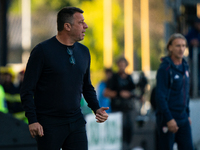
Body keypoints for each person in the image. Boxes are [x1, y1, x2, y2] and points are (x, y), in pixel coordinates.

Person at [20, 7, 109, 150]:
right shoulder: (42, 51)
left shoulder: (84, 52)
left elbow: (86, 86)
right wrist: (33, 120)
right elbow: (27, 90)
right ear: (67, 26)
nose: (85, 26)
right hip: (48, 124)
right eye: (81, 22)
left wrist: (96, 108)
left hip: (76, 122)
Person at [155, 33, 194, 150]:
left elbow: (185, 93)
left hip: (183, 118)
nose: (181, 49)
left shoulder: (185, 66)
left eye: (183, 46)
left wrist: (187, 114)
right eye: (178, 46)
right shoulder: (165, 69)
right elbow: (160, 96)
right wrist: (169, 119)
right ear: (170, 47)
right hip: (168, 119)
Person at [104, 57, 135, 150]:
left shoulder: (129, 78)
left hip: (129, 109)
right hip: (117, 109)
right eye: (120, 64)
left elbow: (133, 90)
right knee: (119, 130)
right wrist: (119, 94)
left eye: (123, 64)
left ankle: (128, 146)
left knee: (129, 129)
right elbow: (106, 92)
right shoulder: (114, 77)